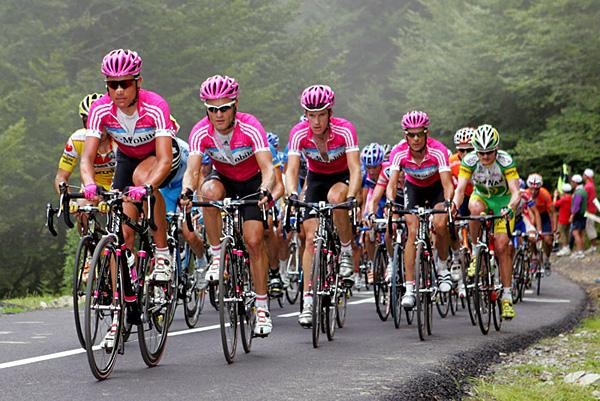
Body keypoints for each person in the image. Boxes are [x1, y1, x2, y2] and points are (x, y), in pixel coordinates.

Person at [81, 49, 179, 346]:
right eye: (112, 85)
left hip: (160, 157)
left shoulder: (155, 105)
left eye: (125, 83)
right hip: (126, 158)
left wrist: (147, 187)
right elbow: (87, 158)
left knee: (143, 182)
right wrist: (89, 184)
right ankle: (118, 311)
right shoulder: (100, 109)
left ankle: (162, 254)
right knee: (121, 236)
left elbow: (164, 159)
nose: (119, 91)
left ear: (138, 82)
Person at [183, 74, 275, 337]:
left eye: (224, 108)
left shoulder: (250, 126)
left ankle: (261, 307)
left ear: (235, 105)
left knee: (254, 241)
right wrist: (187, 190)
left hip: (251, 183)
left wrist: (265, 189)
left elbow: (268, 168)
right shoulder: (200, 130)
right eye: (212, 109)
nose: (219, 114)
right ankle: (216, 256)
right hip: (223, 178)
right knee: (208, 191)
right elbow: (192, 170)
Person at [285, 84, 361, 327]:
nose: (316, 121)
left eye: (321, 115)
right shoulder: (298, 133)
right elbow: (292, 169)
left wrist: (352, 195)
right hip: (316, 180)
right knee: (310, 239)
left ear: (330, 113)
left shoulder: (345, 129)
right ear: (305, 114)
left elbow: (356, 168)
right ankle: (308, 301)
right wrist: (292, 193)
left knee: (337, 199)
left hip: (341, 177)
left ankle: (346, 251)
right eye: (311, 115)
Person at [385, 110, 454, 309]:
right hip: (414, 188)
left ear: (426, 133)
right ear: (405, 135)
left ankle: (442, 268)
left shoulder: (438, 150)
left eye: (419, 134)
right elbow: (392, 184)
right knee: (412, 231)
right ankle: (409, 288)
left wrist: (448, 202)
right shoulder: (398, 152)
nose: (415, 139)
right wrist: (390, 201)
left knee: (440, 224)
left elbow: (447, 184)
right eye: (411, 135)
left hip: (436, 189)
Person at [451, 124, 521, 320]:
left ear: (496, 149)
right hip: (481, 197)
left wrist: (511, 207)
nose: (485, 157)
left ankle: (506, 297)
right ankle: (476, 251)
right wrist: (453, 208)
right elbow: (460, 190)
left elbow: (516, 192)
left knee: (501, 246)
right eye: (481, 152)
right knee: (474, 208)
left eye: (489, 152)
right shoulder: (470, 160)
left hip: (503, 202)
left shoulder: (506, 161)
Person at [55, 93, 117, 233]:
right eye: (89, 122)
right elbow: (61, 177)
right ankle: (87, 242)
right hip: (91, 187)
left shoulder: (118, 139)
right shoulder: (77, 139)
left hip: (117, 185)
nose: (96, 128)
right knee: (82, 209)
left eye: (101, 122)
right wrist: (69, 202)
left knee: (121, 225)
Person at [526, 173, 557, 272]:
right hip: (531, 215)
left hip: (544, 215)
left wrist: (554, 227)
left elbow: (552, 212)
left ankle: (547, 258)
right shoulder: (525, 194)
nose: (533, 192)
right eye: (531, 189)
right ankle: (534, 257)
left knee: (548, 240)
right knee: (531, 238)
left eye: (536, 189)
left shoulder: (545, 194)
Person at [570, 174, 587, 259]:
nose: (571, 183)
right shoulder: (583, 190)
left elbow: (576, 206)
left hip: (578, 215)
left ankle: (580, 252)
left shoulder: (578, 192)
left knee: (575, 233)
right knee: (581, 233)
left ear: (575, 182)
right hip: (584, 215)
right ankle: (581, 250)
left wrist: (572, 215)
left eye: (572, 182)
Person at [583, 168, 600, 253]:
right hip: (592, 208)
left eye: (584, 174)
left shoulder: (587, 186)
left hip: (589, 210)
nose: (583, 176)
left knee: (590, 227)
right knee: (590, 227)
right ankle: (593, 246)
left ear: (586, 176)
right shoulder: (591, 185)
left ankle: (593, 246)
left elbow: (584, 199)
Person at [554, 183, 573, 256]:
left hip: (562, 219)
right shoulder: (571, 198)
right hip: (568, 219)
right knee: (567, 234)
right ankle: (567, 247)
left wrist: (555, 196)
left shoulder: (563, 199)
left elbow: (554, 204)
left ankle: (565, 248)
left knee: (562, 234)